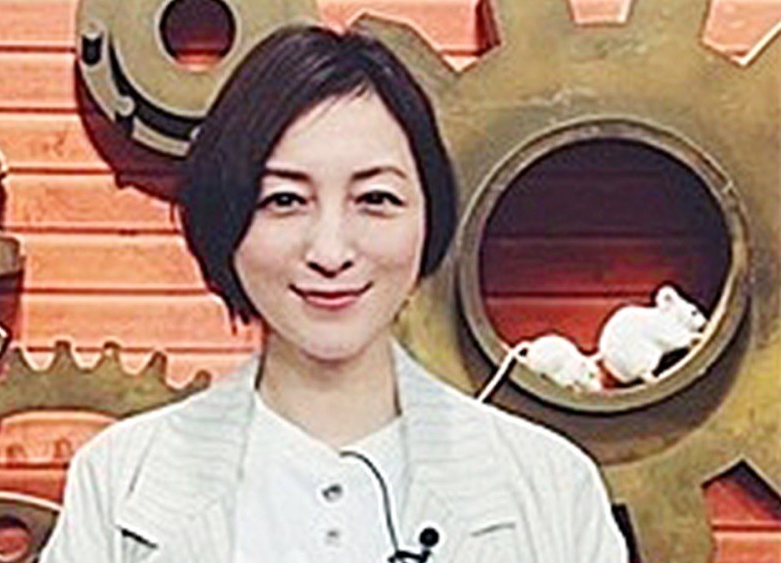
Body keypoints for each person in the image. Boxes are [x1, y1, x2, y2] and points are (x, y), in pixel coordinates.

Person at [40, 24, 628, 563]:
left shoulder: (554, 488)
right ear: (227, 218)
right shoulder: (118, 481)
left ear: (429, 216)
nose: (330, 251)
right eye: (284, 200)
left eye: (375, 199)